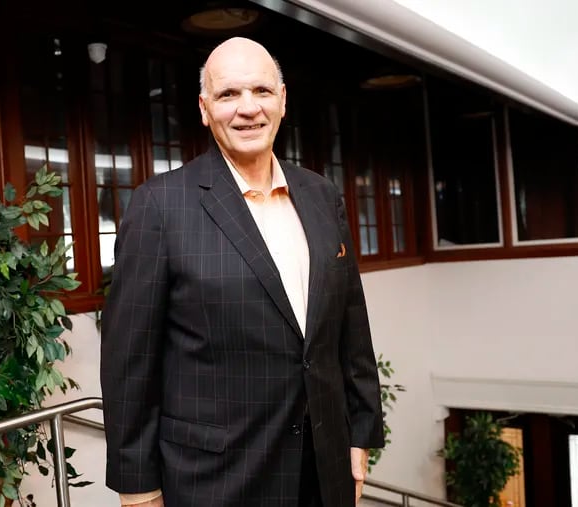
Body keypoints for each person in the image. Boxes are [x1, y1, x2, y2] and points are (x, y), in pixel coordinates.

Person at [100, 36, 384, 507]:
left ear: (283, 99)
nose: (247, 108)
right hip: (217, 479)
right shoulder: (161, 206)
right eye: (228, 94)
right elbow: (129, 362)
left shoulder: (320, 195)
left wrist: (360, 430)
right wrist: (137, 488)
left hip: (323, 467)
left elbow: (350, 323)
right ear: (204, 108)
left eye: (261, 91)